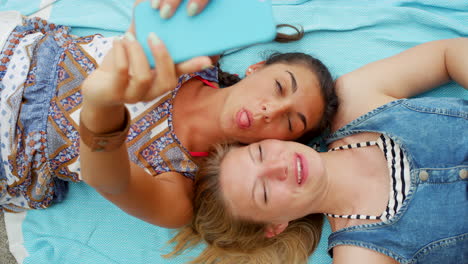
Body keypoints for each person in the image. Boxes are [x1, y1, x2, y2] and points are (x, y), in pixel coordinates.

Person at [0, 3, 337, 228]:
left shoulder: (179, 186)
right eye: (279, 87)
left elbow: (107, 180)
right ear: (256, 68)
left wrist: (103, 105)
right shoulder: (197, 51)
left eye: (290, 123)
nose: (270, 111)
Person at [169, 38, 468, 263]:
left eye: (259, 154)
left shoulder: (356, 97)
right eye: (264, 192)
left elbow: (447, 55)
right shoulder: (360, 256)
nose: (277, 167)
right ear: (276, 226)